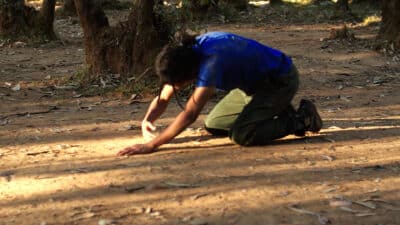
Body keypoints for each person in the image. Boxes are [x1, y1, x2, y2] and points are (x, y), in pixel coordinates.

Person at [117, 31, 322, 156]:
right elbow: (164, 95)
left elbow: (190, 114)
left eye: (180, 82)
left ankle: (301, 119)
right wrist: (148, 119)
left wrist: (152, 145)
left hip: (280, 81)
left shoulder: (211, 63)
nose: (177, 87)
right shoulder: (189, 52)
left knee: (242, 135)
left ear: (190, 72)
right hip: (250, 87)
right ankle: (275, 110)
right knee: (214, 124)